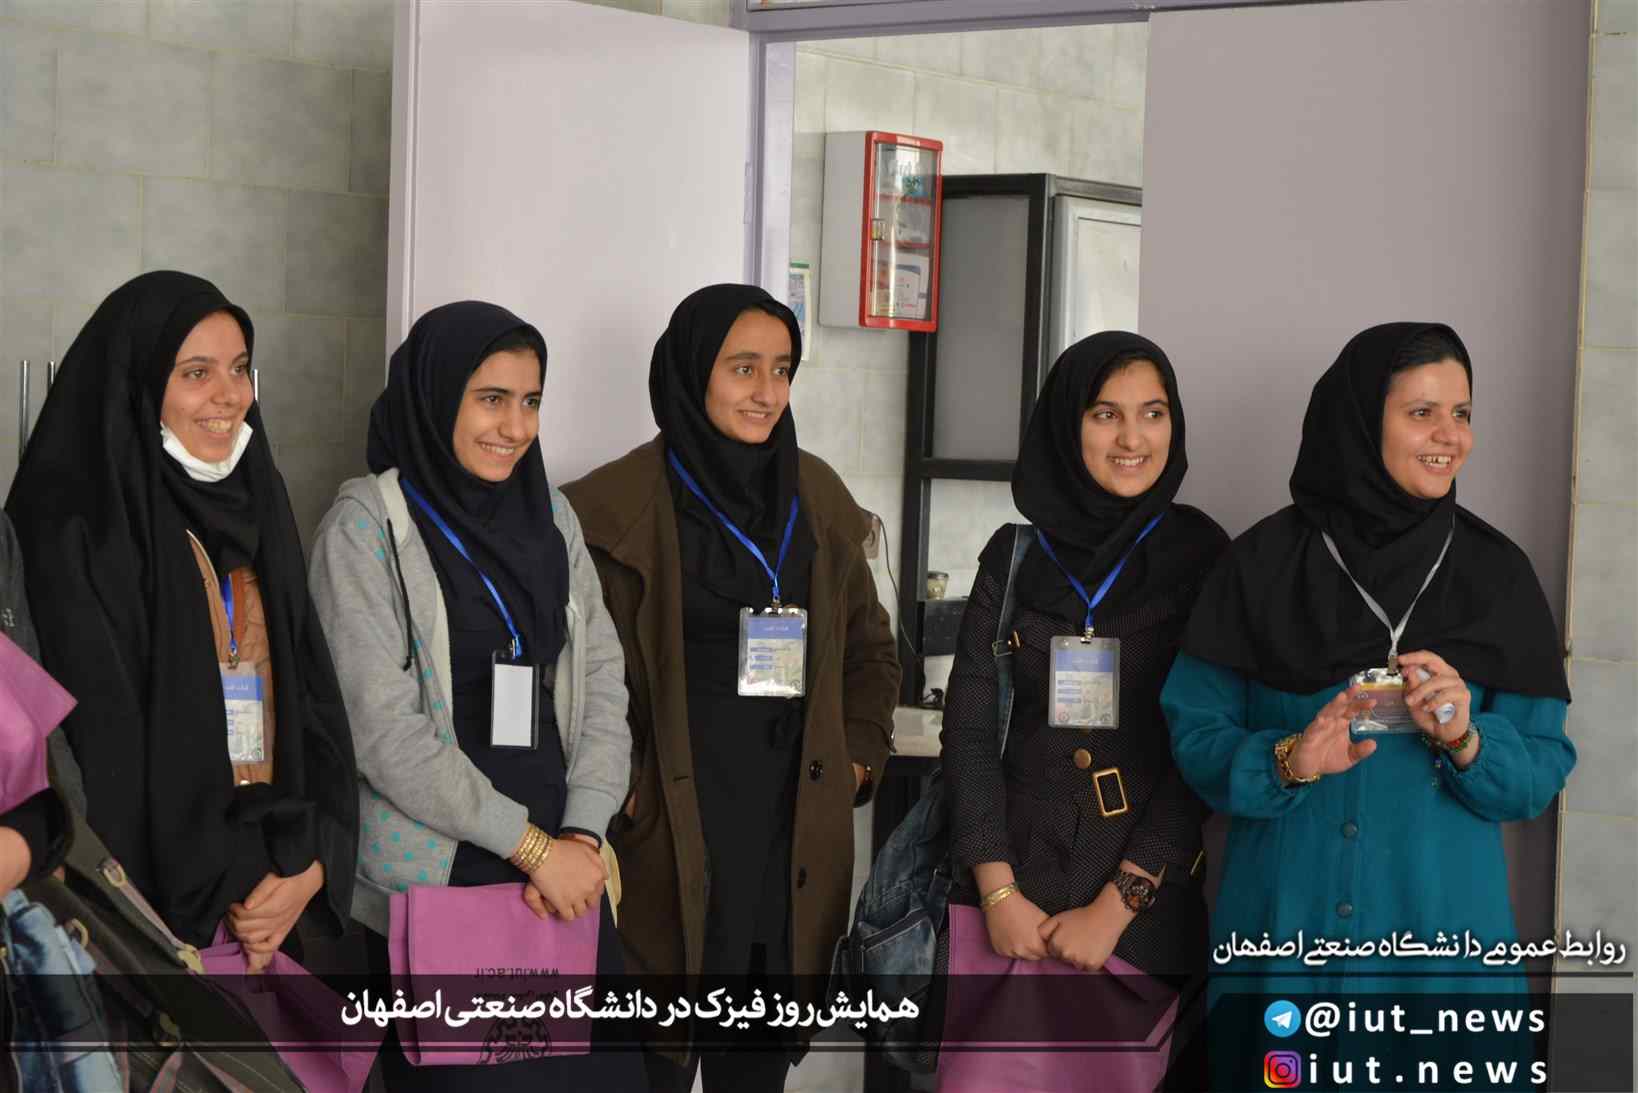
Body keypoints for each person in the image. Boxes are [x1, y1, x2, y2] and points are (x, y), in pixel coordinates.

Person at [1161, 323, 1574, 1080]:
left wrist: (1467, 741)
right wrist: (1288, 759)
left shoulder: (1498, 576)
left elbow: (1541, 770)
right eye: (1422, 412)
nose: (1450, 435)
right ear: (1357, 420)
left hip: (1440, 955)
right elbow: (1194, 735)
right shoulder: (1260, 565)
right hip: (1285, 947)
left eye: (1463, 413)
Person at [562, 283, 900, 1092]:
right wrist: (624, 791)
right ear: (690, 371)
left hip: (785, 840)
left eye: (782, 369)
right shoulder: (605, 509)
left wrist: (855, 761)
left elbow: (872, 653)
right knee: (647, 1064)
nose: (767, 392)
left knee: (754, 1074)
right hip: (663, 837)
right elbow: (572, 680)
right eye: (743, 367)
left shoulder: (817, 496)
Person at [309, 300, 642, 1091]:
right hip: (447, 869)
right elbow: (380, 729)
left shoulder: (549, 514)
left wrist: (583, 836)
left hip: (564, 871)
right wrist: (532, 849)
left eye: (530, 401)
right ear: (436, 395)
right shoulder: (364, 525)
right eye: (491, 398)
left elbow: (603, 680)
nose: (514, 426)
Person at [6, 271, 359, 967]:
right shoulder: (74, 526)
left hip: (275, 898)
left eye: (239, 369)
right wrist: (239, 879)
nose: (230, 395)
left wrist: (313, 861)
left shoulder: (257, 496)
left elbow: (316, 700)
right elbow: (99, 757)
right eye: (197, 373)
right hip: (146, 920)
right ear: (138, 384)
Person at [936, 332, 1226, 1092]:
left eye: (1153, 413)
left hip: (1138, 923)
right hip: (1006, 911)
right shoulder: (1014, 556)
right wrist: (998, 891)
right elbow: (969, 732)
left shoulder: (1203, 556)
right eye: (1106, 414)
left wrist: (1117, 905)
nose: (1133, 438)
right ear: (1069, 426)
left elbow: (1201, 753)